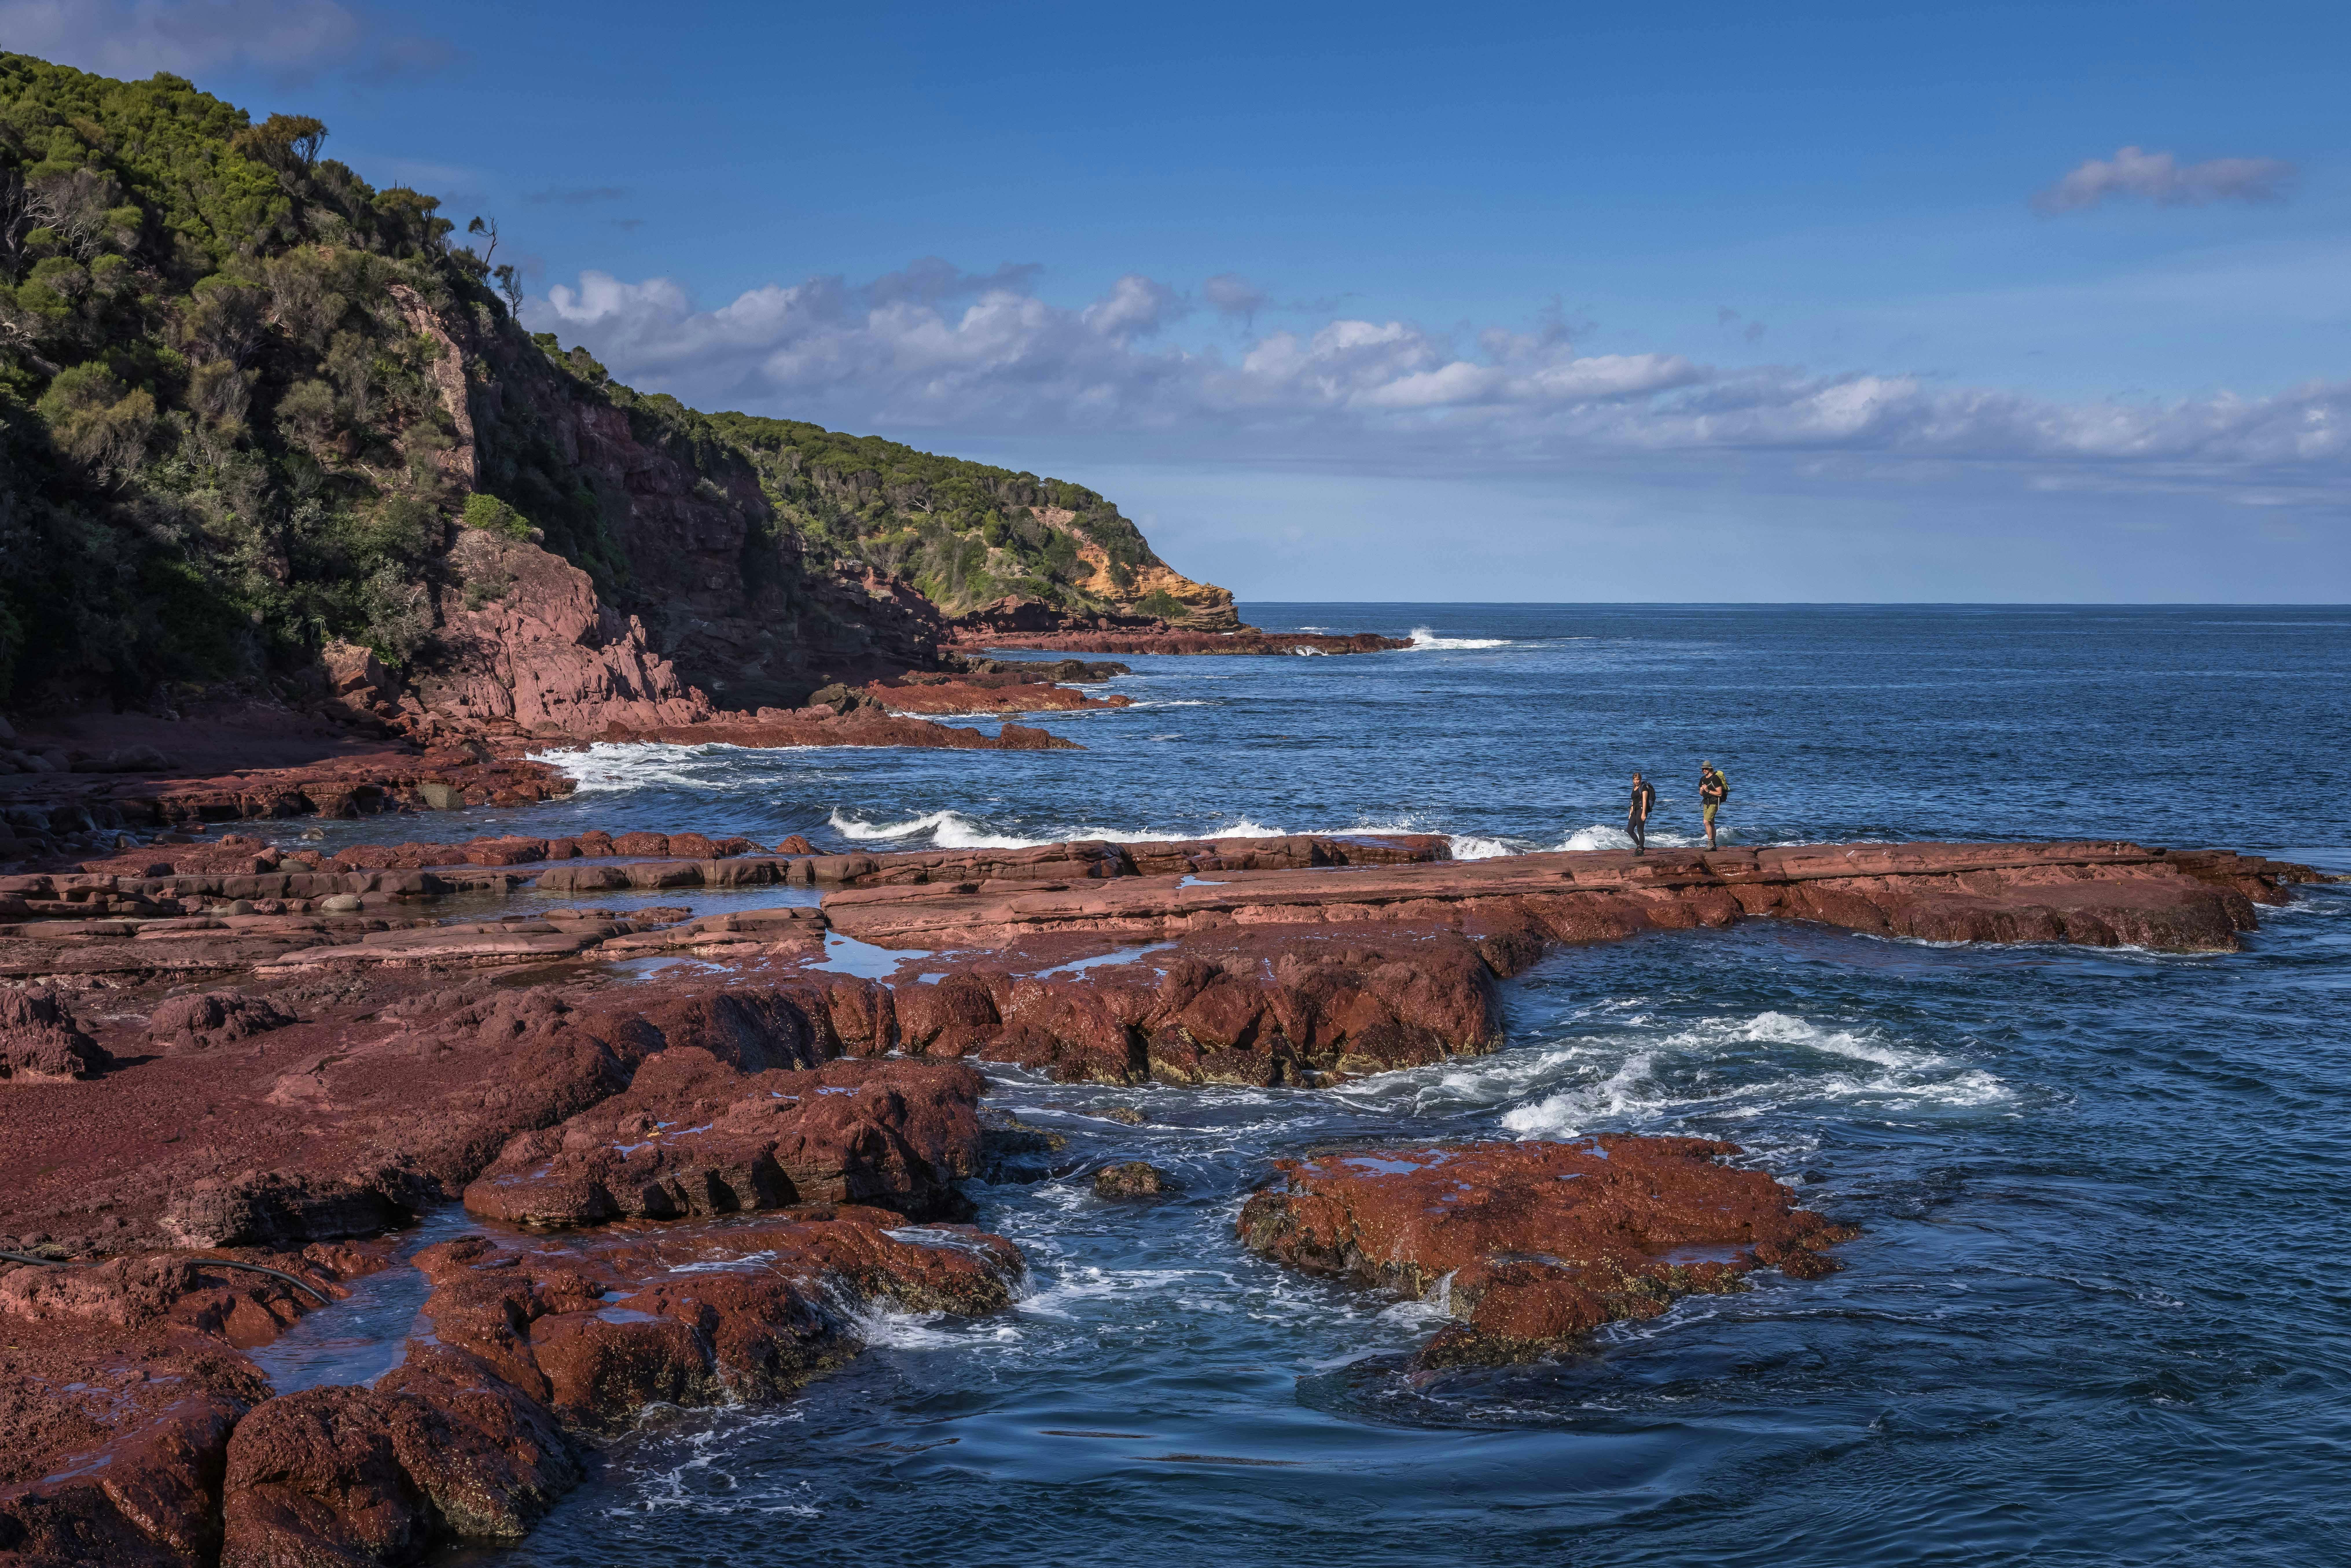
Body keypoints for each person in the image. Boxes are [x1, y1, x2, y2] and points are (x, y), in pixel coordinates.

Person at [1698, 761, 1729, 850]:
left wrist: (1708, 790)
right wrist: (1701, 790)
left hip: (1714, 802)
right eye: (1703, 769)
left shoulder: (1715, 779)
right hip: (1706, 802)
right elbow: (1701, 794)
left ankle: (1711, 843)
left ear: (1711, 769)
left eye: (1706, 769)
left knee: (1706, 822)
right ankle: (1714, 845)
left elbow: (1719, 793)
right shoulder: (1703, 779)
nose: (1704, 770)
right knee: (1711, 823)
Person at [1627, 770, 1656, 854]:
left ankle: (1641, 851)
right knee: (1630, 830)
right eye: (1635, 780)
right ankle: (1640, 846)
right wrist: (1630, 813)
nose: (1636, 781)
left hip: (1641, 810)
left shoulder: (1644, 787)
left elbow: (1644, 801)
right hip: (1635, 811)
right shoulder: (1634, 788)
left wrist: (1644, 813)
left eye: (1638, 780)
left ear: (1641, 780)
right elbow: (1633, 801)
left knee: (1640, 831)